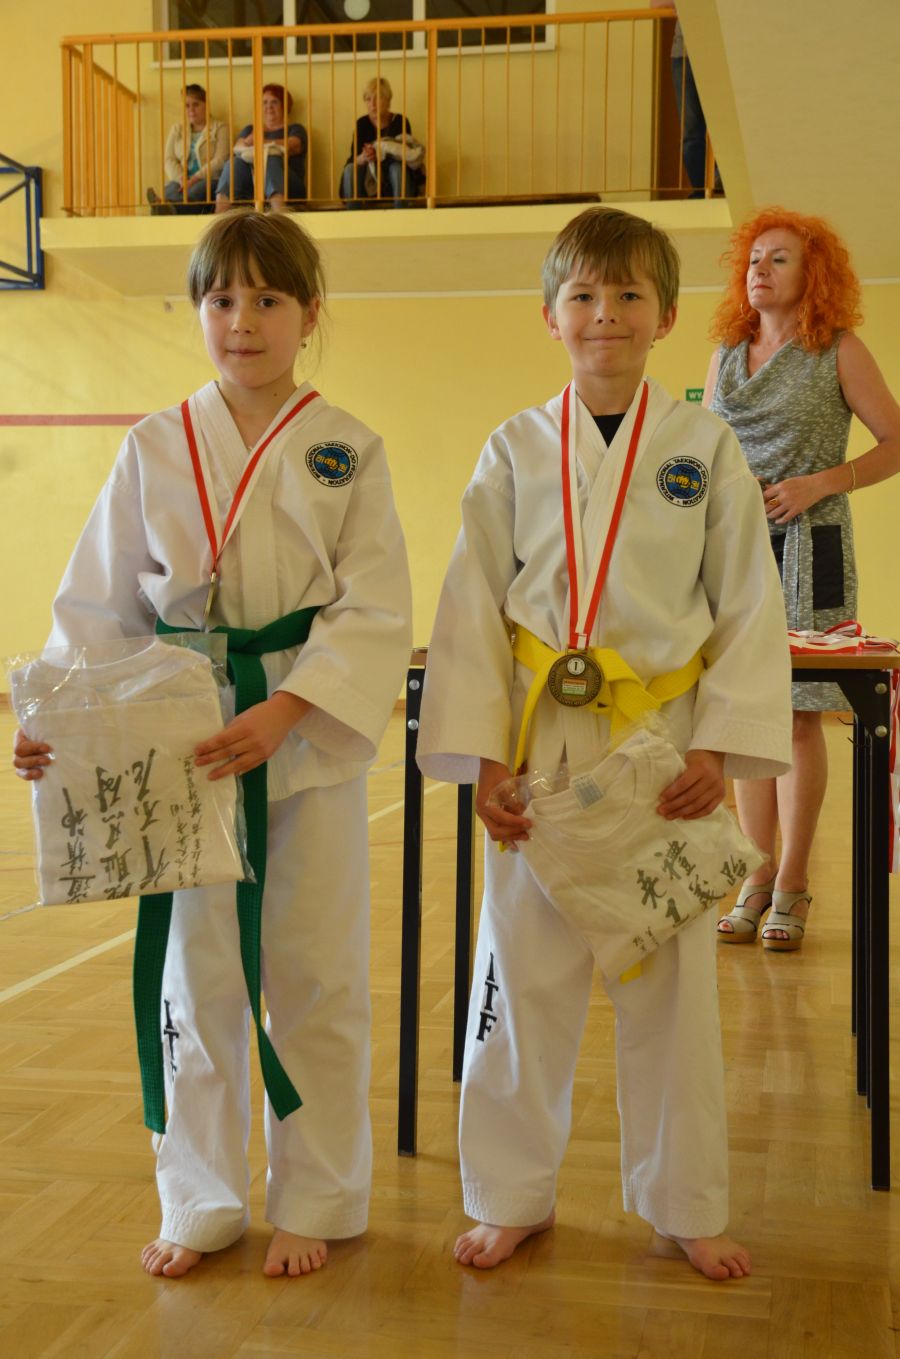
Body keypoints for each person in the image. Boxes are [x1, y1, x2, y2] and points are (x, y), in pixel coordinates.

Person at [13, 210, 412, 1279]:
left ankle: (319, 1197)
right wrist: (57, 728)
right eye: (222, 299)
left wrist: (291, 707)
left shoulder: (348, 446)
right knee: (197, 982)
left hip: (302, 740)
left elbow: (375, 608)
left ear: (310, 314)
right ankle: (200, 1196)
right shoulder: (155, 443)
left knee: (316, 972)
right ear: (198, 310)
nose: (243, 321)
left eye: (268, 300)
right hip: (177, 742)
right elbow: (96, 607)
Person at [416, 207, 792, 1280]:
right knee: (517, 978)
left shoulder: (705, 447)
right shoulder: (512, 448)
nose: (605, 315)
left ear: (666, 316)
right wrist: (486, 761)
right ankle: (509, 1194)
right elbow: (471, 606)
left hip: (660, 750)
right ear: (550, 316)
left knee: (673, 991)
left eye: (629, 294)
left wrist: (718, 751)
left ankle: (684, 1201)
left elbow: (747, 604)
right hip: (540, 750)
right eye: (582, 295)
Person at [707, 207, 900, 950]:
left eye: (778, 258)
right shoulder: (726, 352)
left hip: (812, 546)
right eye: (754, 259)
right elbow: (707, 452)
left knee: (797, 713)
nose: (760, 269)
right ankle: (753, 874)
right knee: (742, 712)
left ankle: (792, 878)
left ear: (811, 273)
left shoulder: (838, 349)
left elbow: (894, 442)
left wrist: (820, 483)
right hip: (735, 550)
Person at [650, 1, 720, 197]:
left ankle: (721, 183)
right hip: (683, 55)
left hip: (719, 51)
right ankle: (700, 189)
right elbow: (655, 5)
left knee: (723, 125)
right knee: (691, 132)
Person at [215, 84, 307, 212]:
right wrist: (254, 135)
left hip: (289, 188)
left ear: (285, 105)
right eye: (264, 102)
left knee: (271, 157)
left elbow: (294, 145)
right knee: (233, 163)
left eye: (274, 102)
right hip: (253, 187)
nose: (269, 106)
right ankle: (220, 213)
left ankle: (279, 212)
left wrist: (261, 143)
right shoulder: (250, 129)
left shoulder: (295, 129)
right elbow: (238, 148)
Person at [340, 77, 424, 208]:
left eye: (377, 98)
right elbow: (354, 158)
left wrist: (380, 152)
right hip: (368, 181)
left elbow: (406, 155)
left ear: (388, 100)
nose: (372, 104)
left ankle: (401, 213)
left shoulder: (400, 121)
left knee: (397, 168)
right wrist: (365, 156)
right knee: (350, 169)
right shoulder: (361, 123)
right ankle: (353, 214)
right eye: (368, 99)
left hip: (393, 181)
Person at [146, 84, 228, 215]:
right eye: (187, 106)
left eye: (196, 104)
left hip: (207, 179)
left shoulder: (220, 128)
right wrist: (181, 178)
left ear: (206, 105)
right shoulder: (177, 129)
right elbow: (169, 159)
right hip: (181, 181)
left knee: (195, 192)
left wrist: (195, 178)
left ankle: (165, 208)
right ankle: (166, 206)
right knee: (170, 189)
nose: (191, 110)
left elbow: (220, 159)